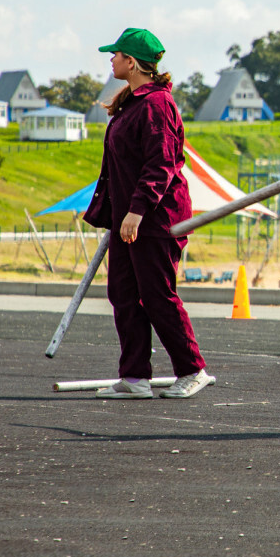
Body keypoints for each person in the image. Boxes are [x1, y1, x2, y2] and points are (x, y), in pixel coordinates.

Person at [83, 27, 214, 400]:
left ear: (132, 62)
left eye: (116, 55)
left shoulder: (157, 104)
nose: (111, 60)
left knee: (157, 295)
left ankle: (192, 369)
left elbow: (163, 164)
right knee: (123, 294)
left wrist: (137, 212)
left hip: (156, 219)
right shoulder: (132, 102)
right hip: (127, 218)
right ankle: (135, 377)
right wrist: (115, 212)